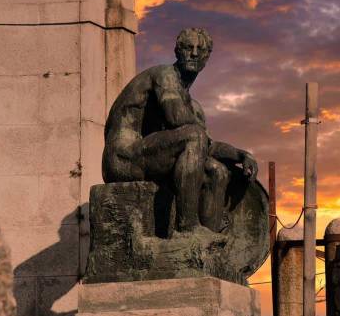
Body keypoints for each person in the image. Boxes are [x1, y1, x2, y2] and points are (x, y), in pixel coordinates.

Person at [102, 28, 259, 233]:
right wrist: (202, 135)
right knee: (194, 137)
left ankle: (206, 242)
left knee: (216, 171)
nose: (194, 53)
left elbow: (207, 145)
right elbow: (176, 118)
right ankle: (188, 228)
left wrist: (240, 154)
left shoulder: (193, 106)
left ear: (206, 58)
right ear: (178, 51)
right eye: (188, 47)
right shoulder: (164, 75)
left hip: (149, 158)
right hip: (123, 158)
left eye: (200, 50)